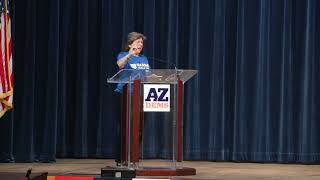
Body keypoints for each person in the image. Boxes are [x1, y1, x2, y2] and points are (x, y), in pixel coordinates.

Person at [114, 32, 150, 166]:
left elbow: (148, 75)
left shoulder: (144, 58)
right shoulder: (123, 55)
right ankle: (121, 158)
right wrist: (130, 54)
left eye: (141, 42)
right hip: (125, 94)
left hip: (141, 96)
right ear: (130, 44)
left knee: (139, 127)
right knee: (125, 127)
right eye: (137, 42)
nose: (140, 44)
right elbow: (120, 65)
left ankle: (134, 158)